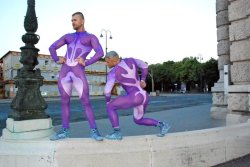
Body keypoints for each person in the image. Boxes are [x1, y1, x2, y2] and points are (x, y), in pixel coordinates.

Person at [49, 12, 104, 141]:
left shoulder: (91, 37)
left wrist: (87, 62)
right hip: (64, 73)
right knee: (64, 102)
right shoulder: (68, 36)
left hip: (78, 72)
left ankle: (94, 131)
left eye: (75, 20)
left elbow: (100, 52)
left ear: (82, 21)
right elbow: (52, 47)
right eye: (71, 20)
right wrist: (57, 59)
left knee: (86, 102)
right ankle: (65, 130)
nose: (72, 22)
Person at [104, 51, 170, 140]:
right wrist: (143, 79)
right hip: (144, 95)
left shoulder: (113, 72)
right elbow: (145, 65)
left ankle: (117, 133)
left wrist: (108, 101)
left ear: (114, 61)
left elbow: (107, 91)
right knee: (138, 120)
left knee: (110, 107)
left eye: (108, 62)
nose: (106, 63)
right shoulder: (131, 60)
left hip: (135, 96)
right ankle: (162, 125)